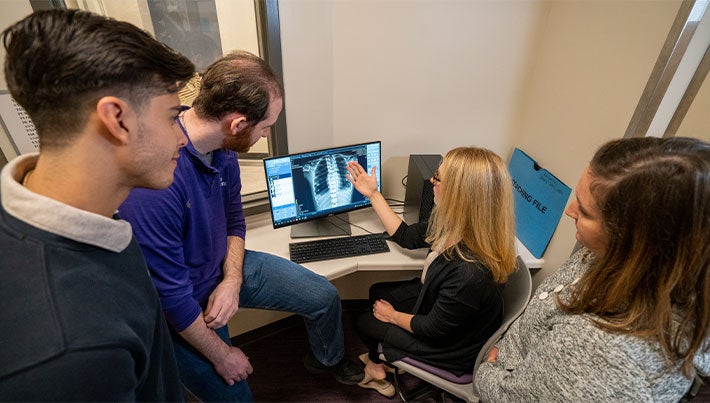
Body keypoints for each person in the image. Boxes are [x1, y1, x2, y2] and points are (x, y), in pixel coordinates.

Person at [118, 50, 364, 402]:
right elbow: (171, 296)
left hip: (226, 265)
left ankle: (327, 360)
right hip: (181, 304)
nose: (265, 137)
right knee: (238, 394)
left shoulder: (224, 150)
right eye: (265, 128)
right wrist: (223, 355)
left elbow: (235, 218)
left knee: (323, 295)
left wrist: (232, 280)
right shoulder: (155, 186)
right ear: (238, 124)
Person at [0, 9, 195, 401]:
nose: (183, 139)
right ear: (117, 119)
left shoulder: (94, 215)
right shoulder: (70, 353)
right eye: (173, 118)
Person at [475, 137, 710, 401]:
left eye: (585, 212)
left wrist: (488, 371)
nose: (570, 211)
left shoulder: (602, 355)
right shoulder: (605, 255)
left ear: (636, 241)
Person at [345, 147, 518, 397]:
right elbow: (406, 236)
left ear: (460, 195)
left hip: (449, 345)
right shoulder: (455, 224)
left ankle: (377, 366)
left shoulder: (471, 273)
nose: (431, 181)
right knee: (376, 291)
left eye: (438, 178)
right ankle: (382, 355)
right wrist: (373, 194)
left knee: (365, 321)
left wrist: (393, 316)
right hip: (440, 307)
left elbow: (432, 329)